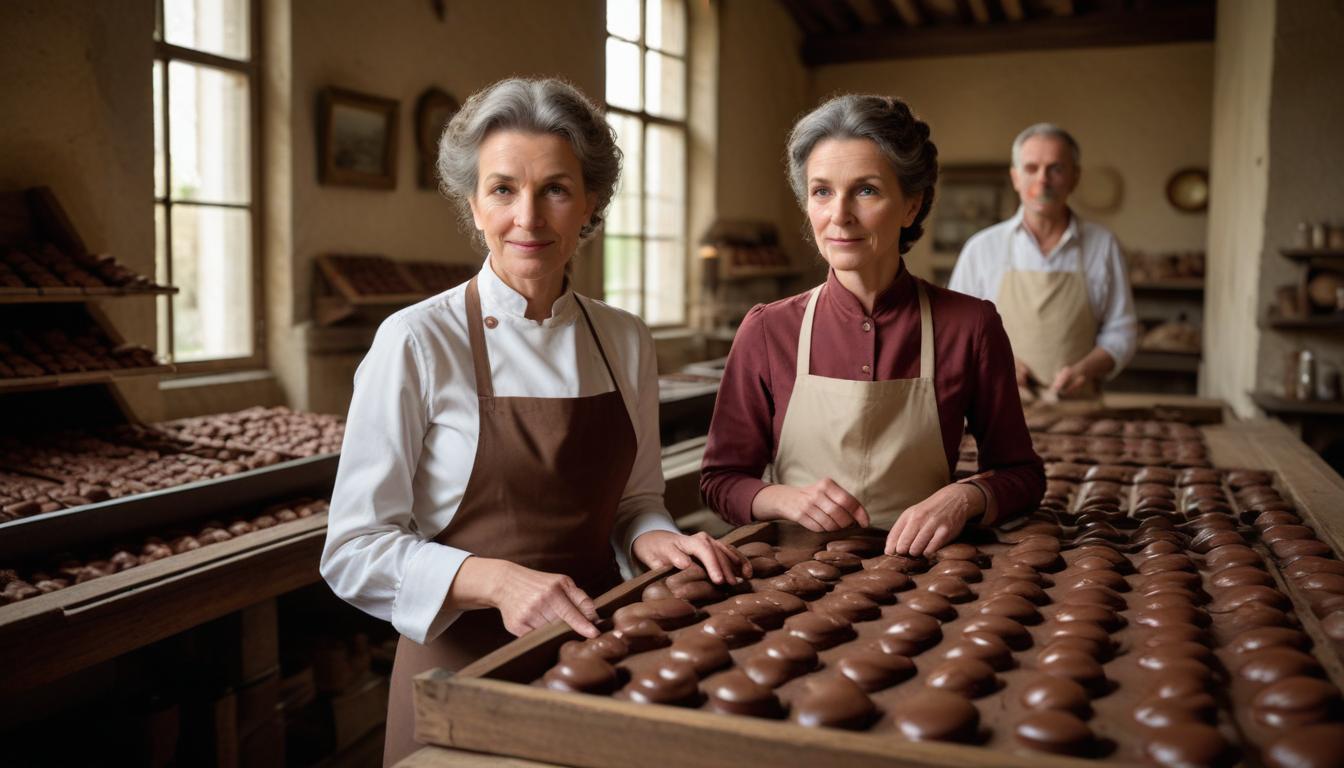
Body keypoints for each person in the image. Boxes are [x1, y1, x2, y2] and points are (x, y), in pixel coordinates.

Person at [319, 78, 749, 766]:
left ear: (591, 203)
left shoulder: (625, 339)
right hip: (456, 671)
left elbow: (635, 502)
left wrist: (660, 539)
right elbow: (354, 550)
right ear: (473, 204)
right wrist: (496, 580)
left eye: (555, 189)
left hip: (600, 651)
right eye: (502, 190)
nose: (529, 218)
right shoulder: (417, 341)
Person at [700, 94, 1044, 559]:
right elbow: (719, 481)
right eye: (821, 191)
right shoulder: (767, 329)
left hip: (930, 579)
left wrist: (966, 496)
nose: (839, 215)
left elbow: (1020, 473)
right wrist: (786, 499)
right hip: (791, 580)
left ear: (910, 206)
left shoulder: (970, 326)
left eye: (866, 190)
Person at [948, 123, 1138, 399]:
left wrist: (1087, 368)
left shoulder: (1103, 245)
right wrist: (995, 360)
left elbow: (1122, 330)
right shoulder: (982, 248)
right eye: (1031, 168)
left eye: (1056, 169)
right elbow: (955, 330)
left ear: (1075, 177)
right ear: (1015, 177)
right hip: (994, 410)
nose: (1043, 180)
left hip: (1078, 411)